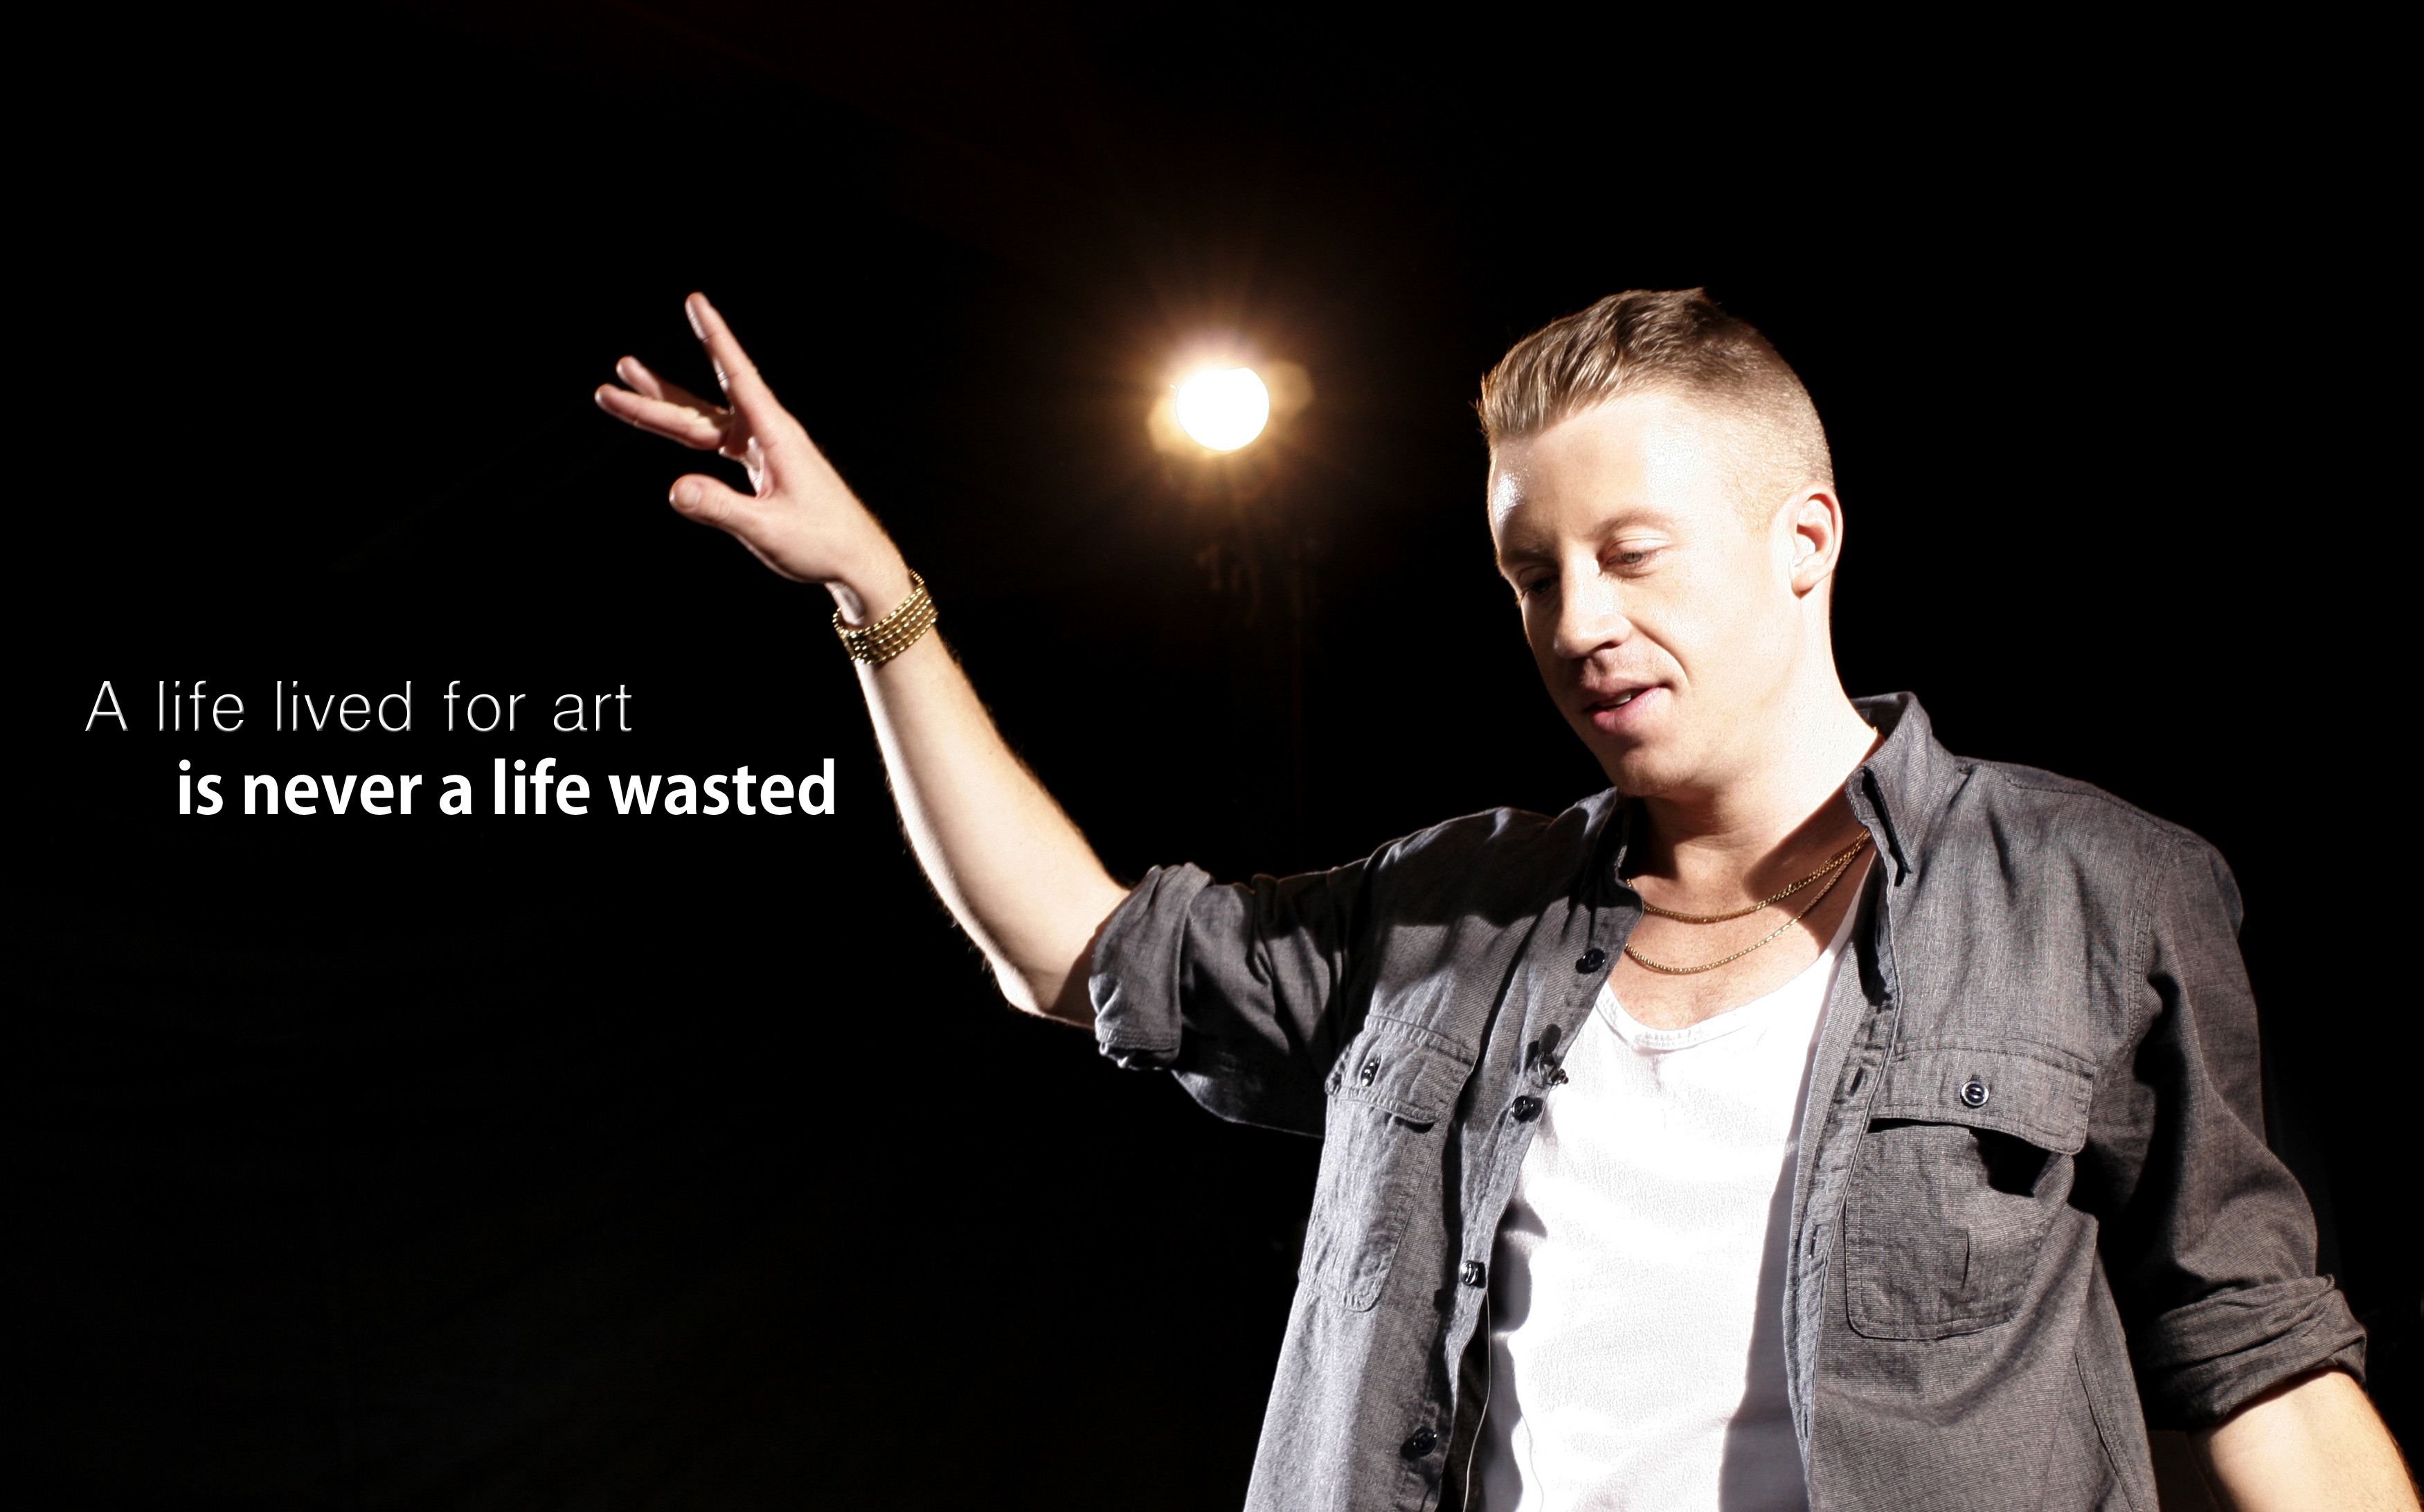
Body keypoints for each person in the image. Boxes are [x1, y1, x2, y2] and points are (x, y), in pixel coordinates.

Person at [595, 289, 2416, 1511]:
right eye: (1531, 573)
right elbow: (1074, 953)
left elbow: (2255, 1363)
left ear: (1805, 540)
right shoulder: (1449, 913)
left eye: (1632, 554)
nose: (1579, 622)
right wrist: (875, 593)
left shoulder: (2096, 888)